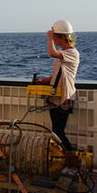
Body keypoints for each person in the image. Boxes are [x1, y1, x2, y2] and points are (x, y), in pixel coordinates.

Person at [33, 20, 79, 151]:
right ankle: (62, 158)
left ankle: (70, 160)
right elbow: (57, 75)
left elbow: (52, 53)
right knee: (55, 131)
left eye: (54, 37)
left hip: (64, 96)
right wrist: (43, 81)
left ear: (61, 37)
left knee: (58, 132)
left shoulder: (72, 53)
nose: (53, 39)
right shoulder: (63, 54)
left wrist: (49, 39)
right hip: (56, 95)